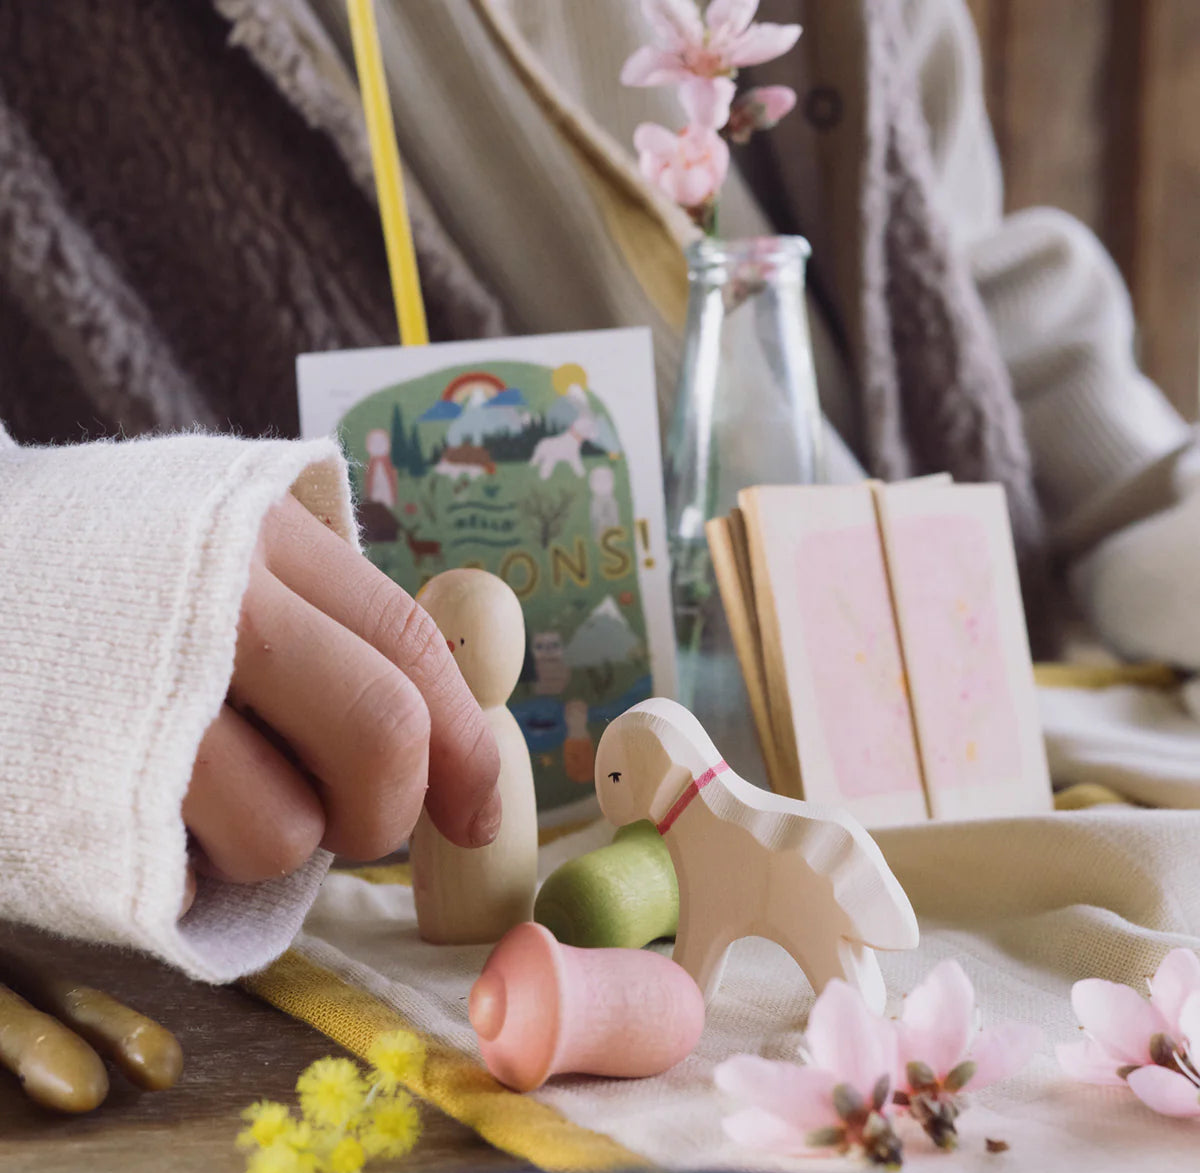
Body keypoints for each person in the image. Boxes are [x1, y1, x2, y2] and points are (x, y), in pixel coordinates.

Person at [2, 0, 1195, 983]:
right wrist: (46, 583)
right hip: (346, 922)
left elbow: (961, 294)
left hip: (995, 769)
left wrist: (1156, 498)